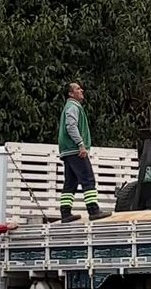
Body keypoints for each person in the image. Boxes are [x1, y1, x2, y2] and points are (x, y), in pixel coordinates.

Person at [57, 82, 112, 222]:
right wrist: (81, 144)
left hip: (68, 151)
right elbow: (71, 126)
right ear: (70, 94)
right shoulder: (73, 107)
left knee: (70, 182)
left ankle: (65, 213)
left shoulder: (69, 107)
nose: (81, 90)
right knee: (88, 178)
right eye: (77, 89)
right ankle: (93, 210)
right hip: (74, 149)